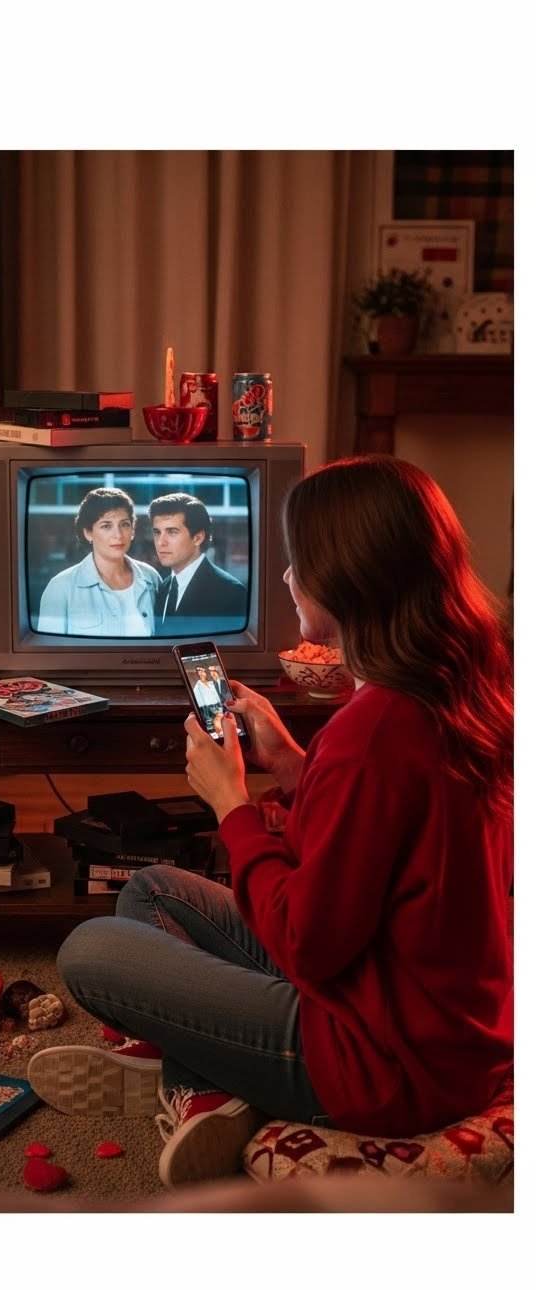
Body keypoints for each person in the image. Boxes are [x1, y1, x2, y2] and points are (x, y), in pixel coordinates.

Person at [26, 456, 513, 1190]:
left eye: (298, 561)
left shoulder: (372, 732)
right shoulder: (460, 685)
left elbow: (307, 944)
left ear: (346, 576)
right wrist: (290, 763)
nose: (286, 577)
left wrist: (233, 806)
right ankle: (208, 1078)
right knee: (151, 891)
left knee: (91, 948)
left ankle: (205, 1083)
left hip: (384, 1062)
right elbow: (381, 842)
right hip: (431, 1015)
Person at [36, 487, 161, 637]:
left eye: (124, 524)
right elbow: (49, 649)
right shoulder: (60, 587)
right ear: (88, 533)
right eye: (106, 526)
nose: (118, 535)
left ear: (132, 530)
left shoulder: (151, 578)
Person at [149, 492, 247, 635]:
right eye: (157, 532)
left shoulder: (232, 593)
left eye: (172, 532)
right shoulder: (163, 588)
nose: (160, 542)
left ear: (198, 538)